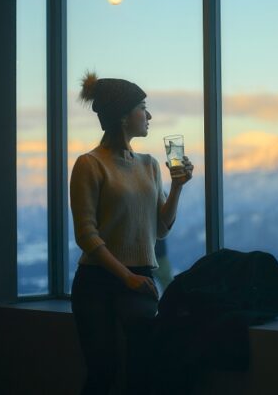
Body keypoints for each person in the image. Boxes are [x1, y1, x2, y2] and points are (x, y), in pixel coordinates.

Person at [69, 71, 193, 395]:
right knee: (103, 373)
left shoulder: (150, 165)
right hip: (98, 281)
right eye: (142, 107)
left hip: (138, 278)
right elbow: (86, 235)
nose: (149, 115)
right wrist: (127, 278)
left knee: (142, 373)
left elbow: (161, 230)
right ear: (124, 117)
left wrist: (177, 187)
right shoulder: (89, 164)